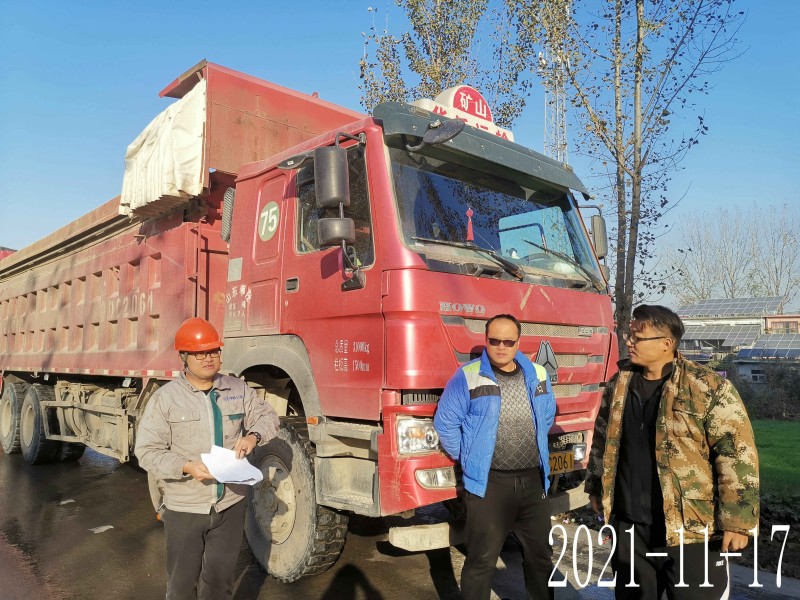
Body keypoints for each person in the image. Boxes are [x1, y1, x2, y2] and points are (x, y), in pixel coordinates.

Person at [586, 305, 759, 600]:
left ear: (666, 343)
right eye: (629, 335)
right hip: (631, 526)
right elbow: (603, 439)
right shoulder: (619, 384)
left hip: (690, 529)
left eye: (637, 337)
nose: (629, 342)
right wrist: (595, 486)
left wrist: (738, 522)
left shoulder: (707, 387)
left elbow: (737, 454)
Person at [135, 317, 280, 600]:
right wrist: (185, 467)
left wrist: (253, 436)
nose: (208, 358)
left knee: (219, 584)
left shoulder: (237, 388)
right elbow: (147, 451)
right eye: (199, 353)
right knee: (181, 586)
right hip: (185, 506)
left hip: (230, 504)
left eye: (213, 351)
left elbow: (268, 416)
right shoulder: (166, 399)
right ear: (183, 358)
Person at [434, 314, 556, 600]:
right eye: (494, 340)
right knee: (481, 561)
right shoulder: (468, 375)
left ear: (518, 342)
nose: (501, 347)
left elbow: (547, 415)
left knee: (540, 559)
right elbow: (446, 423)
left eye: (508, 341)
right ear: (486, 340)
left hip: (533, 482)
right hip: (489, 485)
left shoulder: (538, 374)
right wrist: (469, 457)